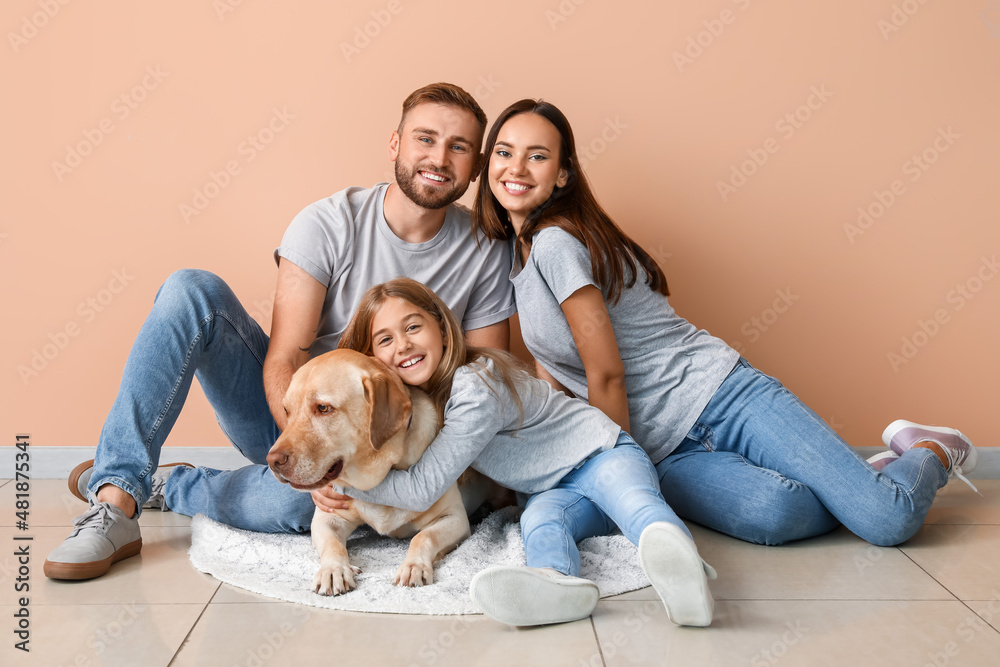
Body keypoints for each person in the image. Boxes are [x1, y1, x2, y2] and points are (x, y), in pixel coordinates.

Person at [43, 82, 517, 581]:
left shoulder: (484, 247)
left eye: (458, 146)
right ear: (395, 143)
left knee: (300, 514)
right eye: (425, 138)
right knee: (190, 290)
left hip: (400, 436)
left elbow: (482, 378)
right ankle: (116, 498)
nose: (439, 157)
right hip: (290, 415)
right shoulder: (328, 224)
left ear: (476, 165)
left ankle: (176, 486)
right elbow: (284, 358)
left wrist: (426, 468)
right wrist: (311, 455)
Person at [470, 98, 979, 550]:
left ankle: (931, 447)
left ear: (562, 174)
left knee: (886, 519)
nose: (517, 167)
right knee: (778, 515)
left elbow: (605, 375)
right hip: (669, 452)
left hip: (724, 395)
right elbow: (553, 375)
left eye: (537, 155)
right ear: (489, 161)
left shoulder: (558, 243)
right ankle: (857, 479)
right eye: (505, 152)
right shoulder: (518, 260)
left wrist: (617, 475)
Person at [331, 277, 717, 627]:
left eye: (413, 326)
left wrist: (342, 484)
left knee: (634, 501)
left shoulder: (474, 387)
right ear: (372, 358)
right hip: (549, 490)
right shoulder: (416, 399)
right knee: (543, 525)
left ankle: (682, 569)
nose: (403, 344)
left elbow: (422, 489)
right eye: (385, 339)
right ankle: (555, 585)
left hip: (601, 454)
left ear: (444, 331)